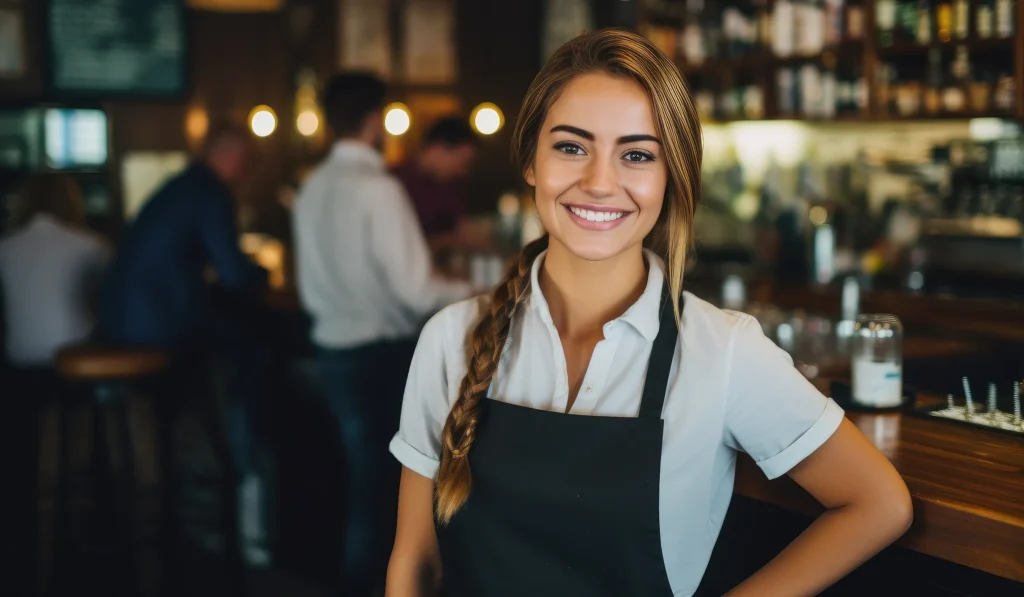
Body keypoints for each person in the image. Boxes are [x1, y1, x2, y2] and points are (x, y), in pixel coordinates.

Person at [386, 29, 912, 597]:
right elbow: (415, 564)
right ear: (530, 162)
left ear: (671, 179)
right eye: (571, 147)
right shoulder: (451, 337)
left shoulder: (724, 349)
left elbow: (878, 502)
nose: (600, 182)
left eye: (636, 155)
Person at [292, 72, 473, 596]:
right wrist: (476, 291)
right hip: (377, 359)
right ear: (375, 122)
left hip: (329, 352)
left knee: (359, 486)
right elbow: (417, 292)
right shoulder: (378, 189)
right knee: (384, 499)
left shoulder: (312, 186)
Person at [98, 123, 272, 566]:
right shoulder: (210, 192)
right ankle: (239, 489)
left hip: (121, 325)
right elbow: (233, 276)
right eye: (245, 161)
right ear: (232, 156)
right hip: (158, 331)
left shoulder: (179, 186)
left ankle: (213, 494)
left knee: (231, 350)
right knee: (250, 355)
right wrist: (264, 274)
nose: (244, 171)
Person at [0, 173, 109, 596]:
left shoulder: (5, 247)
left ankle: (30, 534)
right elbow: (109, 301)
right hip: (74, 374)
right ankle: (88, 519)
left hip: (18, 374)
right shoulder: (90, 245)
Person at [392, 116, 481, 252]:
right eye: (462, 162)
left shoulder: (448, 186)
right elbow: (396, 243)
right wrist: (451, 240)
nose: (463, 171)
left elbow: (462, 228)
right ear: (437, 149)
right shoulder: (394, 181)